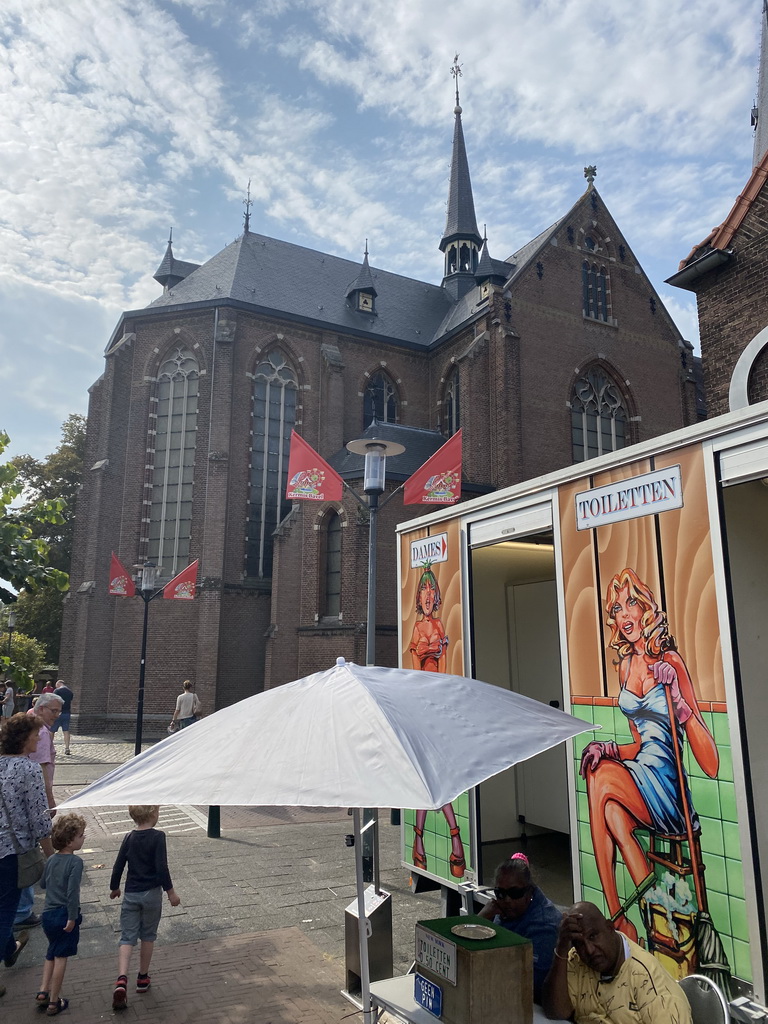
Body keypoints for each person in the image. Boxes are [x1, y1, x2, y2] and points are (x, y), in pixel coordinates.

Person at [579, 568, 718, 941]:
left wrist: (681, 706)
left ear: (646, 609)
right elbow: (639, 745)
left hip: (669, 789)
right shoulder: (625, 666)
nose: (625, 616)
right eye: (617, 609)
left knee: (601, 777)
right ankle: (652, 915)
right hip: (642, 775)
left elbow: (711, 762)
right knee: (610, 808)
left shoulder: (670, 662)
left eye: (632, 604)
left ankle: (614, 919)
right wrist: (606, 748)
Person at [542, 901, 692, 1023]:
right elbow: (555, 1012)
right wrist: (561, 949)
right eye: (580, 943)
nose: (589, 950)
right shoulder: (576, 959)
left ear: (609, 927)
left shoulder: (652, 985)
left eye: (593, 936)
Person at [408, 566, 465, 877]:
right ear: (418, 598)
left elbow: (443, 668)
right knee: (431, 776)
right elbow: (417, 674)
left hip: (440, 704)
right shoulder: (417, 631)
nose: (428, 598)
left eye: (432, 593)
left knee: (439, 775)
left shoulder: (440, 627)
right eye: (423, 594)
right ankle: (452, 838)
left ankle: (421, 842)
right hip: (424, 706)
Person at [0, 714, 53, 999]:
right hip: (10, 852)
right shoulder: (28, 769)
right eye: (36, 735)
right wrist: (51, 856)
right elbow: (39, 820)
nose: (38, 739)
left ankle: (9, 950)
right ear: (23, 739)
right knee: (5, 911)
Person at [109, 805, 181, 1009]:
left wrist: (114, 887)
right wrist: (171, 892)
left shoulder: (129, 837)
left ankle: (122, 978)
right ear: (153, 814)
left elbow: (119, 864)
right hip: (151, 894)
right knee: (148, 935)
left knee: (127, 937)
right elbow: (161, 867)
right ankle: (142, 978)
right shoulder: (158, 837)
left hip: (131, 893)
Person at [478, 853, 562, 1002]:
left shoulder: (544, 926)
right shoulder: (502, 908)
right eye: (500, 893)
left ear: (529, 892)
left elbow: (534, 985)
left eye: (514, 893)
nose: (507, 900)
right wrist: (482, 919)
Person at [14, 692, 63, 931]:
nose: (57, 715)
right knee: (24, 857)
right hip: (20, 832)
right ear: (41, 708)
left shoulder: (25, 720)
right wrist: (51, 856)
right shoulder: (40, 731)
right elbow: (43, 765)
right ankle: (22, 913)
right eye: (54, 711)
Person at [36, 812, 87, 1016]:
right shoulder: (75, 863)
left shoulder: (51, 860)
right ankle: (54, 1001)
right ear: (70, 840)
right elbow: (72, 892)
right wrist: (72, 917)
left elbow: (42, 884)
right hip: (64, 914)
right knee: (61, 957)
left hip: (47, 916)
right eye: (81, 835)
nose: (84, 838)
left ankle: (43, 990)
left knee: (51, 952)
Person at [52, 681, 74, 755]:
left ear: (58, 684)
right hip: (67, 712)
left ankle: (50, 747)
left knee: (52, 731)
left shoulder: (57, 691)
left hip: (58, 713)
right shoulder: (70, 692)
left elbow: (53, 701)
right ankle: (67, 748)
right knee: (66, 731)